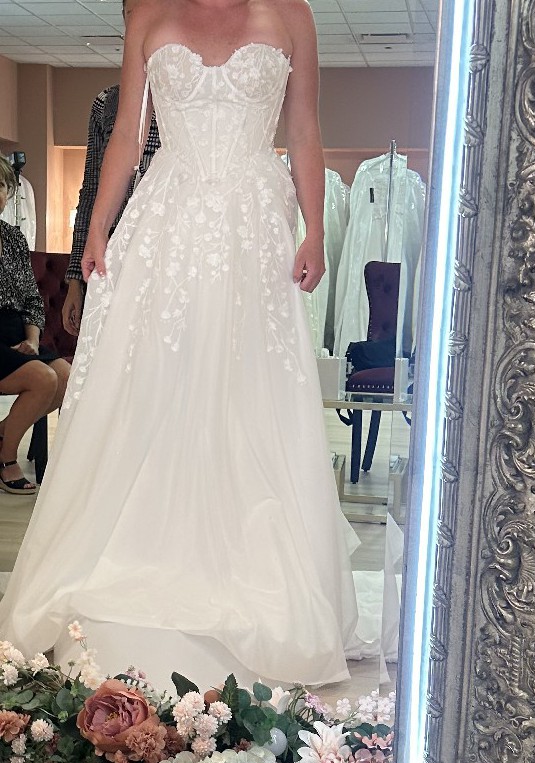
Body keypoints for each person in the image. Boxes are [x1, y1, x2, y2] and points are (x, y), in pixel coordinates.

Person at [0, 0, 359, 690]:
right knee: (156, 381)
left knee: (247, 389)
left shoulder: (291, 13)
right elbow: (127, 137)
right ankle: (148, 545)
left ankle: (246, 565)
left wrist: (315, 228)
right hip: (166, 219)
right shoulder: (149, 14)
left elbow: (304, 128)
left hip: (254, 223)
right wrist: (95, 229)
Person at [63, 0, 161, 337]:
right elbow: (90, 191)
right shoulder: (107, 104)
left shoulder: (194, 98)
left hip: (168, 246)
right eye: (131, 14)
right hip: (113, 251)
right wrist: (74, 279)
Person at [0, 157, 71, 495]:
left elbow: (30, 296)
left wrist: (31, 338)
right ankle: (6, 458)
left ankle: (3, 432)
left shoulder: (13, 238)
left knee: (65, 377)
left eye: (1, 185)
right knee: (43, 379)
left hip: (16, 330)